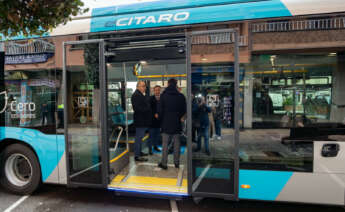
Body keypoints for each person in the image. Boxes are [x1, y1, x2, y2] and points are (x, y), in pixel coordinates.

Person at [158, 79, 186, 170]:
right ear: (176, 84)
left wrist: (161, 120)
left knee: (165, 144)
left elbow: (160, 111)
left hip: (166, 123)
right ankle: (176, 163)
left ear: (168, 84)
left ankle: (164, 163)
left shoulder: (163, 95)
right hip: (177, 123)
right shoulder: (181, 96)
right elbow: (184, 110)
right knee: (177, 143)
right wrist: (180, 117)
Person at [131, 81, 152, 162]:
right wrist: (148, 108)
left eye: (145, 86)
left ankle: (139, 152)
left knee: (140, 138)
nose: (144, 88)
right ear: (138, 87)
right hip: (140, 120)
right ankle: (137, 156)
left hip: (143, 120)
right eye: (143, 86)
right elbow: (137, 108)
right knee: (138, 138)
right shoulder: (136, 95)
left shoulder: (140, 94)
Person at [148, 85, 162, 154]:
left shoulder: (162, 98)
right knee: (151, 136)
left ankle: (155, 147)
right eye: (156, 90)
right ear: (154, 91)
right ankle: (150, 149)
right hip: (151, 121)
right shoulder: (150, 98)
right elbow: (149, 109)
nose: (157, 91)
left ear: (160, 90)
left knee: (157, 135)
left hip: (159, 121)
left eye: (158, 90)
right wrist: (154, 114)